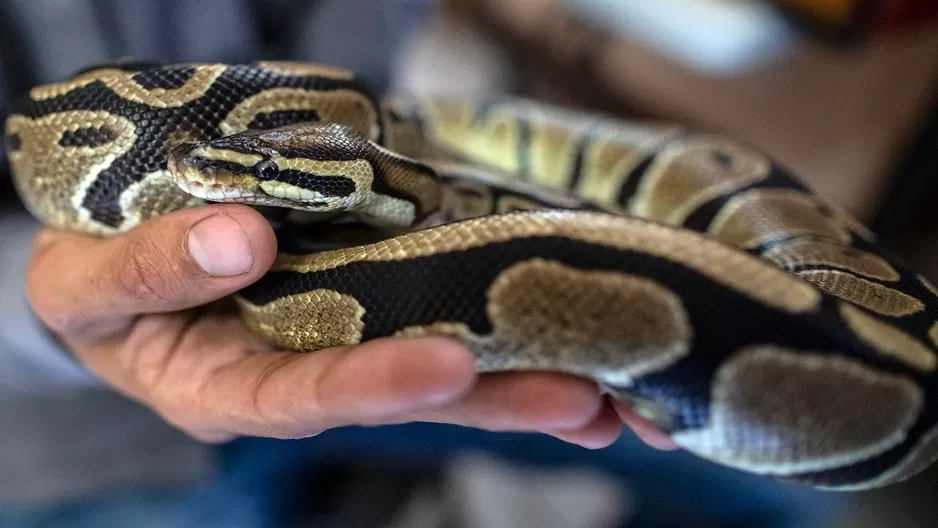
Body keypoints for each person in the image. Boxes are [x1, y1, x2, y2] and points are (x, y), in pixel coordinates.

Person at [0, 1, 846, 526]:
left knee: (793, 489)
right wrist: (52, 315)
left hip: (350, 305)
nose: (204, 171)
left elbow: (360, 81)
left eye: (248, 170)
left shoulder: (366, 166)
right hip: (63, 437)